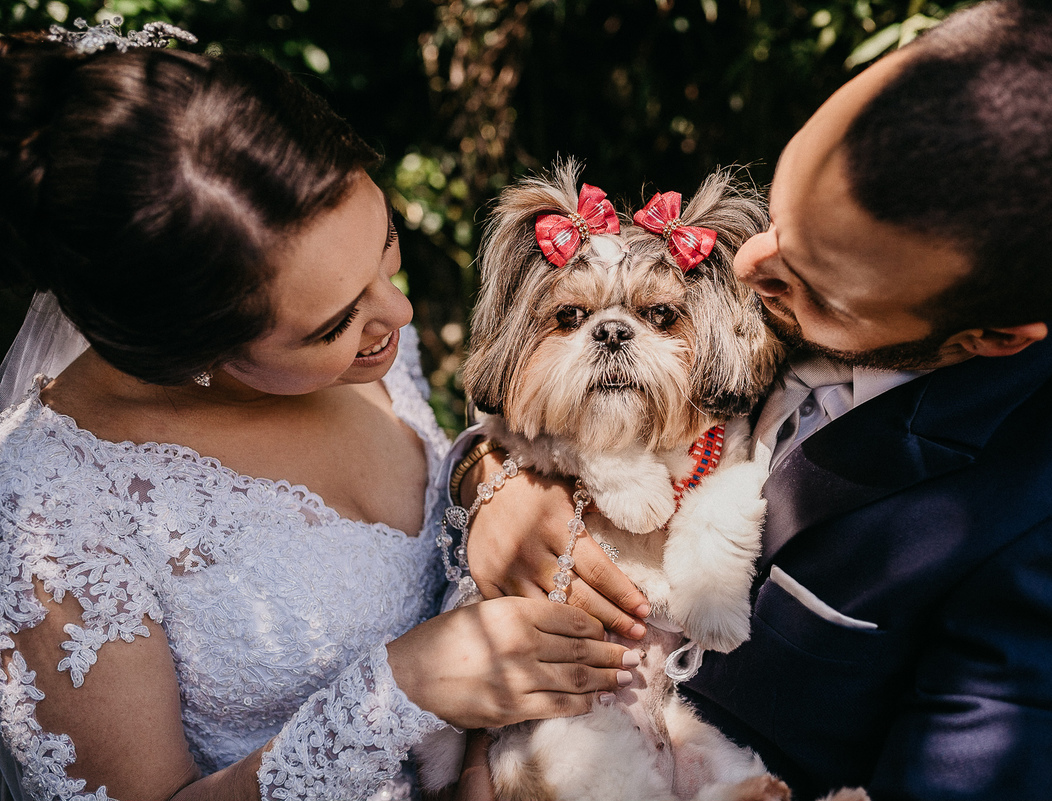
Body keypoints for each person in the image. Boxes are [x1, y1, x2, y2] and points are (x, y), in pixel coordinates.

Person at [458, 0, 1052, 798]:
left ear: (989, 338)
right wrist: (495, 480)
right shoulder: (841, 226)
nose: (749, 271)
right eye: (775, 218)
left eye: (810, 283)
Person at [0, 25, 638, 801]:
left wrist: (484, 481)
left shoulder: (372, 341)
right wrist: (400, 692)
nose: (397, 312)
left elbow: (435, 479)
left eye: (387, 247)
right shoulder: (54, 512)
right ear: (188, 353)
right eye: (333, 324)